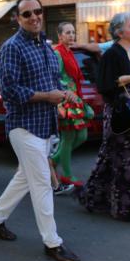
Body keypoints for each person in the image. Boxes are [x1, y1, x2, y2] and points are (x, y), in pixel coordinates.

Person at [0, 0, 80, 261]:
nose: (34, 17)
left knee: (25, 178)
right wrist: (46, 96)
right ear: (18, 18)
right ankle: (53, 242)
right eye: (27, 14)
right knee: (42, 183)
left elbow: (53, 80)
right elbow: (10, 92)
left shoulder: (46, 47)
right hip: (23, 126)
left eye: (38, 11)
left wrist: (63, 93)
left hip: (45, 125)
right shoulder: (12, 48)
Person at [78, 12, 130, 224]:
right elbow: (104, 84)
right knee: (129, 161)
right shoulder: (113, 54)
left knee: (113, 158)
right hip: (120, 116)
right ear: (120, 32)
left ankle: (94, 197)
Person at [51, 22, 93, 189]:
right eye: (67, 32)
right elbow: (55, 78)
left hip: (76, 99)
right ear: (60, 36)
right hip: (66, 99)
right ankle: (67, 175)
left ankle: (53, 161)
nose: (71, 35)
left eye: (73, 32)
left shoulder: (70, 52)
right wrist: (61, 102)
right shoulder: (58, 53)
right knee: (68, 138)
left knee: (82, 136)